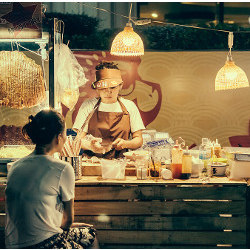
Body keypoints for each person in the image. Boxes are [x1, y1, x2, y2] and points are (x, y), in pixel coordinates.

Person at [5, 109, 97, 249]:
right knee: (91, 233)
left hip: (12, 244)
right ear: (58, 137)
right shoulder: (63, 168)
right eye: (66, 134)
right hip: (42, 244)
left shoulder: (15, 167)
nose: (66, 139)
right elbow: (67, 222)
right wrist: (69, 224)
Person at [73, 61, 145, 159]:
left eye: (113, 87)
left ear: (120, 86)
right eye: (103, 88)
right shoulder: (88, 106)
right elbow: (78, 140)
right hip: (92, 162)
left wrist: (126, 144)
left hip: (120, 163)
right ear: (97, 88)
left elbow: (138, 140)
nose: (108, 91)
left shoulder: (129, 106)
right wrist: (91, 146)